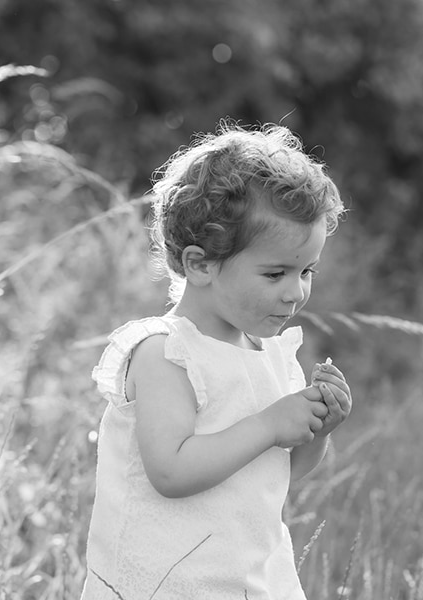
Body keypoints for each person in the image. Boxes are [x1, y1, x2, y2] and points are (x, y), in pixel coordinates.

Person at [80, 123, 352, 599]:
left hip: (246, 579)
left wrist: (316, 428)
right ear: (200, 264)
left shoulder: (270, 353)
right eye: (275, 273)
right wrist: (271, 423)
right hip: (166, 582)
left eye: (306, 271)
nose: (297, 292)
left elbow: (276, 471)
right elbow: (171, 471)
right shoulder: (166, 353)